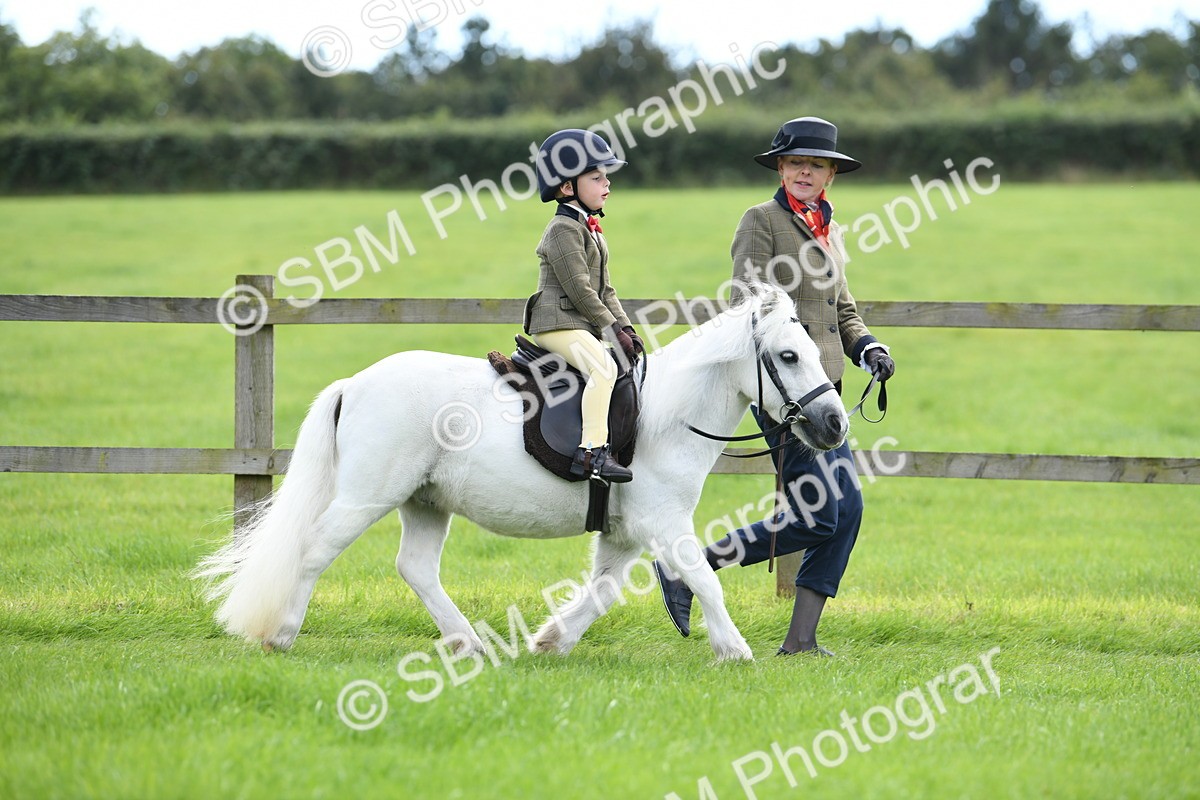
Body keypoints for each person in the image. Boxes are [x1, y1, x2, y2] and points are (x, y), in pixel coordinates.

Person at [654, 116, 896, 655]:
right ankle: (687, 564)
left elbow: (844, 310)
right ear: (781, 168)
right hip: (785, 391)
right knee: (818, 515)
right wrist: (796, 353)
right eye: (794, 163)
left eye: (814, 164)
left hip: (824, 391)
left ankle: (801, 642)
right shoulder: (760, 221)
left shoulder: (826, 227)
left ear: (830, 173)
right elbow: (748, 302)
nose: (803, 171)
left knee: (846, 511)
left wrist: (867, 347)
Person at [523, 128, 644, 483]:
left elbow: (606, 290)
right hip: (556, 324)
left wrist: (625, 328)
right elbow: (580, 291)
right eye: (597, 177)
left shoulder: (590, 229)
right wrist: (610, 331)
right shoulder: (562, 229)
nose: (607, 184)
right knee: (604, 369)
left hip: (578, 323)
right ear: (566, 187)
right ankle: (591, 452)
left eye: (606, 176)